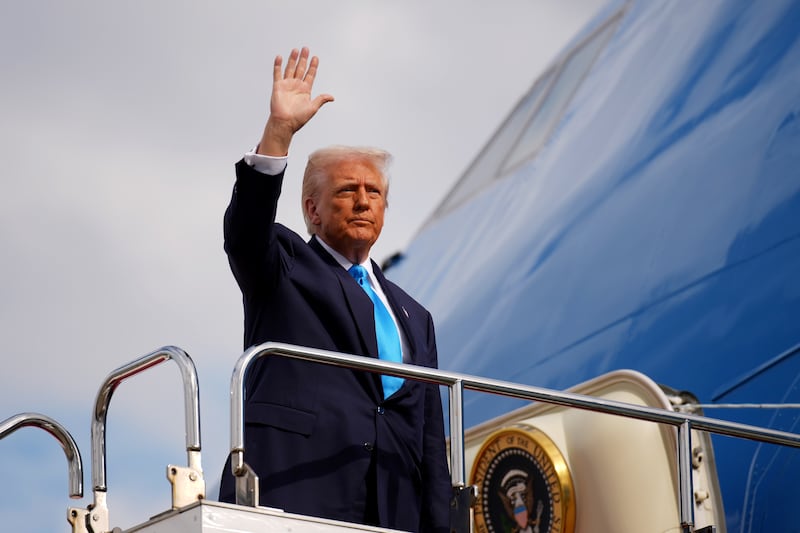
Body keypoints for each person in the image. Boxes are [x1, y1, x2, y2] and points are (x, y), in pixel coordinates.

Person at [218, 47, 451, 533]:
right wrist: (279, 132)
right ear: (313, 210)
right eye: (347, 190)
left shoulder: (415, 315)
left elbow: (430, 440)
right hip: (296, 493)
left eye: (375, 193)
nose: (363, 201)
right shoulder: (283, 264)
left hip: (392, 508)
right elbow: (245, 229)